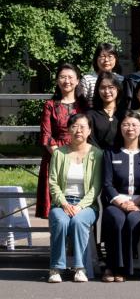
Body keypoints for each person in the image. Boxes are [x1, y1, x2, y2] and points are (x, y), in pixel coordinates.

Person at [99, 112, 140, 282]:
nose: (130, 128)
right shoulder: (110, 152)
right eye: (126, 124)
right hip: (116, 202)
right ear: (120, 128)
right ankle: (111, 266)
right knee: (116, 219)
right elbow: (107, 184)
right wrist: (121, 202)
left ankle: (123, 268)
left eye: (134, 125)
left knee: (132, 220)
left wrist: (138, 202)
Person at [46, 113, 102, 283]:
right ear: (69, 130)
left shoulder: (97, 154)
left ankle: (80, 268)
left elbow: (96, 187)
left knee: (78, 221)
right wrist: (64, 204)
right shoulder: (59, 153)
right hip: (61, 203)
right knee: (60, 221)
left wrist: (80, 206)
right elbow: (53, 182)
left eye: (83, 127)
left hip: (86, 205)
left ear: (89, 130)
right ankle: (56, 268)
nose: (78, 130)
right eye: (74, 126)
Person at [35, 63, 90, 219]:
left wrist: (77, 155)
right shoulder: (50, 105)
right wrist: (62, 157)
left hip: (81, 155)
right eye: (63, 77)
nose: (67, 81)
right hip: (55, 155)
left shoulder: (84, 106)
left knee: (79, 206)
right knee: (57, 210)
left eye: (70, 77)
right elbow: (46, 135)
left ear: (77, 81)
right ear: (57, 80)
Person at [87, 71, 125, 151]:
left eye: (111, 87)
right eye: (103, 88)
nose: (107, 91)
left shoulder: (124, 114)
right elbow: (90, 140)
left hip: (121, 156)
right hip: (97, 155)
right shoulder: (90, 115)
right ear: (97, 90)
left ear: (118, 89)